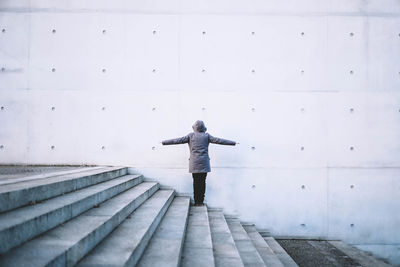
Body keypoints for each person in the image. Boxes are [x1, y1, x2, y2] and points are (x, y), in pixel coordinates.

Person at [161, 120, 238, 206]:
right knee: (202, 182)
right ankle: (200, 201)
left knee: (196, 182)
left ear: (195, 127)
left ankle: (196, 201)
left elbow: (177, 140)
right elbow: (219, 140)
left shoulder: (191, 136)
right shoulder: (206, 136)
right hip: (204, 163)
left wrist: (164, 142)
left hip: (194, 163)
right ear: (203, 127)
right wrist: (233, 143)